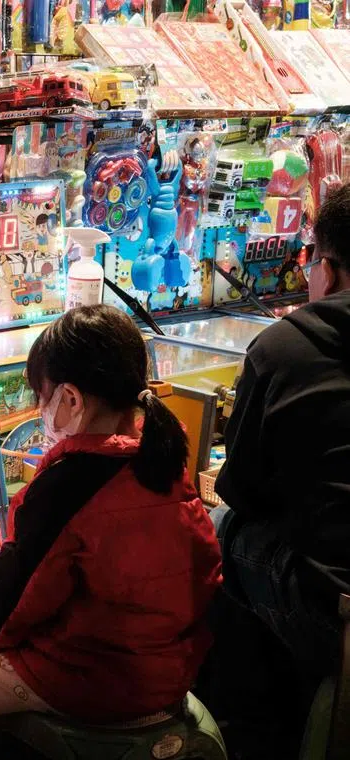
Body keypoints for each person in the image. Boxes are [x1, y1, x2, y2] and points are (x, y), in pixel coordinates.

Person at [0, 305, 222, 760]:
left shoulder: (67, 485)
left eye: (41, 396)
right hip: (170, 673)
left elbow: (10, 607)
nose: (39, 410)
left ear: (69, 399)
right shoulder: (163, 458)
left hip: (91, 681)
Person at [209, 185, 350, 753]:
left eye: (311, 261)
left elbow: (240, 488)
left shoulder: (285, 348)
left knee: (223, 531)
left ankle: (243, 730)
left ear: (330, 270)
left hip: (335, 617)